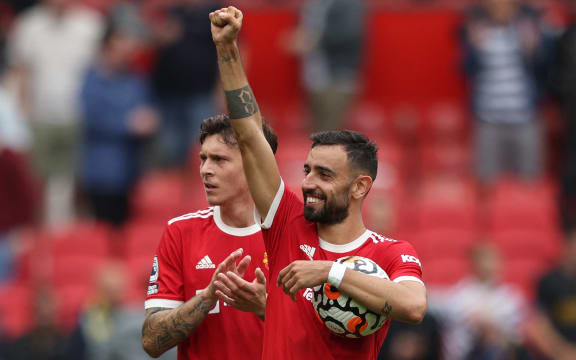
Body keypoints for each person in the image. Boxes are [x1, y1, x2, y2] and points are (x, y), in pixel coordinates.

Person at [209, 6, 426, 359]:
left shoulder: (390, 253)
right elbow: (249, 135)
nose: (308, 182)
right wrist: (227, 50)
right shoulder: (286, 223)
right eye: (308, 170)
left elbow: (413, 306)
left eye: (324, 175)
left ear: (360, 187)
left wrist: (330, 271)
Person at [141, 114, 278, 359]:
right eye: (203, 159)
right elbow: (151, 341)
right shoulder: (180, 232)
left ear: (254, 163)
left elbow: (322, 336)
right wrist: (207, 296)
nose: (205, 170)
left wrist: (264, 308)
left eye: (219, 160)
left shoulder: (294, 232)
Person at [6, 0, 103, 227]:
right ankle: (42, 232)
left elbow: (100, 70)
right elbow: (21, 72)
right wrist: (21, 115)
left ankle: (67, 231)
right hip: (40, 116)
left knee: (75, 177)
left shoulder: (90, 25)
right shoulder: (28, 25)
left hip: (80, 115)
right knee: (37, 178)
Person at [461, 0, 554, 183]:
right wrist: (473, 48)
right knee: (487, 183)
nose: (499, 6)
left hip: (525, 118)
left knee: (529, 183)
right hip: (488, 120)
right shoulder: (477, 29)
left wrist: (534, 50)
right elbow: (464, 71)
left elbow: (547, 69)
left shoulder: (528, 28)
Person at [79, 22, 157, 231]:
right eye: (118, 48)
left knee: (130, 229)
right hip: (102, 170)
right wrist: (127, 124)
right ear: (105, 49)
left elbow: (146, 112)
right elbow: (93, 119)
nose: (123, 54)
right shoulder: (92, 80)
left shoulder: (136, 79)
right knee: (103, 229)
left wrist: (147, 121)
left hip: (131, 168)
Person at [428, 244, 528, 360]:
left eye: (494, 260)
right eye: (485, 260)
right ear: (473, 263)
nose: (490, 266)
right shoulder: (459, 296)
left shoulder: (511, 297)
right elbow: (432, 300)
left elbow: (517, 337)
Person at [526, 232, 576, 359]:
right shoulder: (548, 281)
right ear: (567, 247)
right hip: (557, 352)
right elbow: (538, 324)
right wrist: (562, 353)